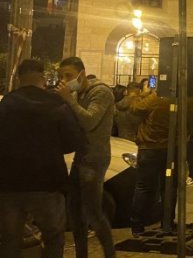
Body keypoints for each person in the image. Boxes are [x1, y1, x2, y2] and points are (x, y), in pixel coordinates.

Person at [0, 60, 86, 258]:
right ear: (42, 77)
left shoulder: (6, 104)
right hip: (47, 181)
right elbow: (72, 142)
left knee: (10, 239)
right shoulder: (56, 104)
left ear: (19, 78)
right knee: (53, 236)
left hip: (9, 183)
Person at [56, 56, 116, 258]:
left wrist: (69, 100)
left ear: (81, 74)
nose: (65, 80)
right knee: (74, 212)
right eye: (61, 76)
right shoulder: (78, 93)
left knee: (93, 213)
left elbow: (90, 121)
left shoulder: (100, 92)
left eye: (69, 75)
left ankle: (110, 254)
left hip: (95, 158)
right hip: (81, 156)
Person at [128, 90, 172, 236]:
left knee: (144, 187)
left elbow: (136, 108)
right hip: (171, 148)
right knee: (169, 187)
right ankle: (168, 222)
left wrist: (139, 94)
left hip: (150, 147)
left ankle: (137, 225)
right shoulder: (187, 98)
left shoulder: (157, 97)